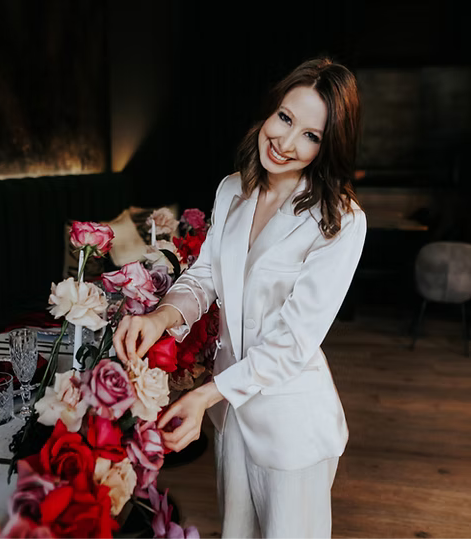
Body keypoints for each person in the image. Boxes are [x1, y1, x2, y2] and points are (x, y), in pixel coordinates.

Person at [113, 57, 367, 539]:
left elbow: (293, 340)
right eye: (286, 119)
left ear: (327, 146)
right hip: (228, 417)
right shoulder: (233, 189)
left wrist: (207, 392)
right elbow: (206, 274)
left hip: (291, 427)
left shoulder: (341, 220)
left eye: (311, 136)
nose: (287, 143)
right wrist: (161, 317)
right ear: (270, 111)